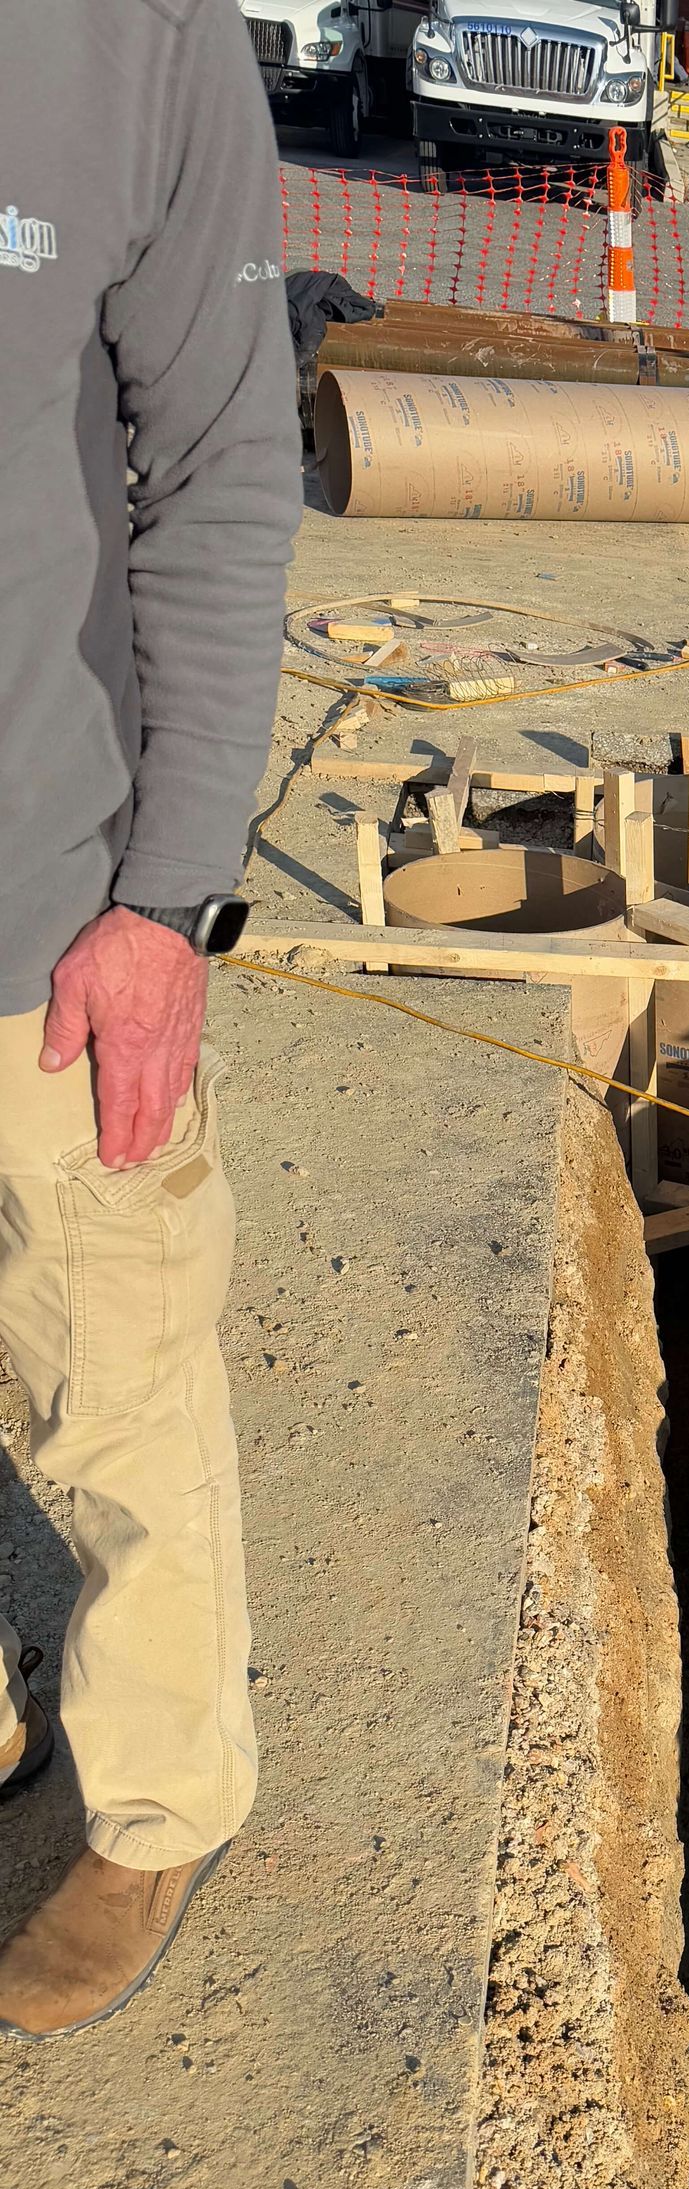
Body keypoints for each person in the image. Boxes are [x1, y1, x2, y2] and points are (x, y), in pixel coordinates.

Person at [0, 1, 303, 2036]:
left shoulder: (128, 34)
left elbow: (219, 460)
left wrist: (166, 896)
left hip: (39, 905)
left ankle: (163, 1794)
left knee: (104, 1378)